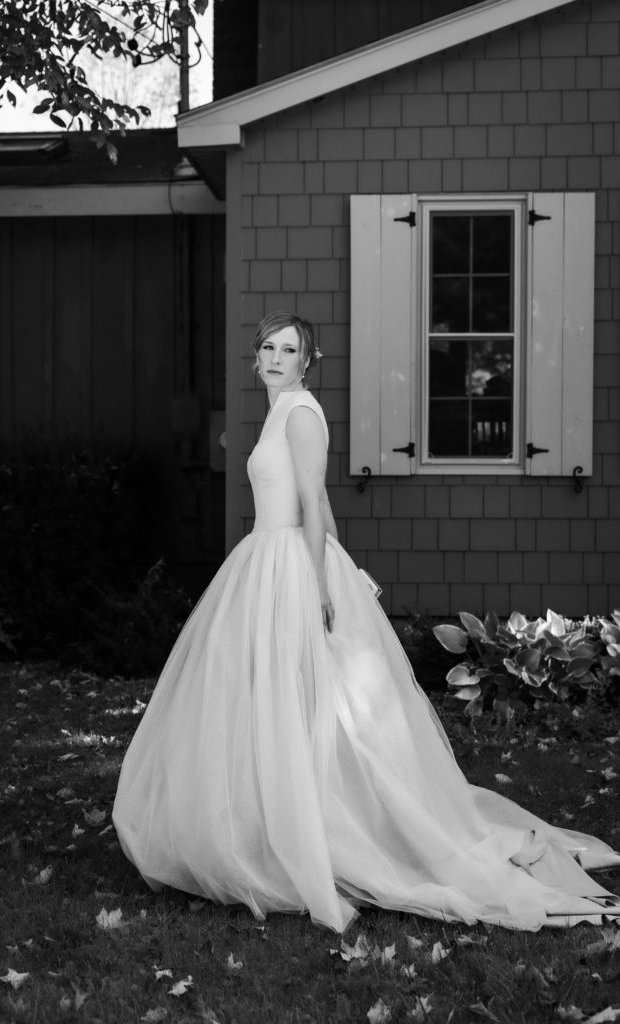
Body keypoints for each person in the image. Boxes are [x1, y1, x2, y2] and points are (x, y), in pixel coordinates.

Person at [113, 311, 620, 933]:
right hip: (269, 558)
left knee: (309, 702)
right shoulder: (282, 410)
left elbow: (310, 505)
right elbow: (319, 496)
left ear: (307, 361)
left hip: (290, 562)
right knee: (266, 698)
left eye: (288, 349)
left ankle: (308, 828)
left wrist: (325, 581)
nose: (274, 357)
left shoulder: (300, 413)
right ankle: (267, 822)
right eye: (267, 347)